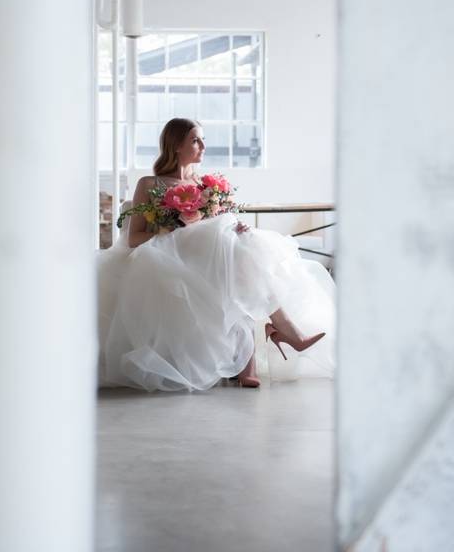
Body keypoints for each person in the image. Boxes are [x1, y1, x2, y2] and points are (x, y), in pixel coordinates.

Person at [97, 117, 335, 391]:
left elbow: (215, 223)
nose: (203, 146)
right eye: (196, 140)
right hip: (168, 254)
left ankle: (260, 348)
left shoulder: (204, 185)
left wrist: (235, 226)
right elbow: (134, 237)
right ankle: (278, 336)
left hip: (206, 255)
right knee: (237, 257)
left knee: (242, 247)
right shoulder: (150, 183)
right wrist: (171, 230)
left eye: (202, 139)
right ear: (176, 145)